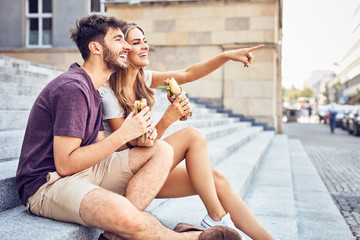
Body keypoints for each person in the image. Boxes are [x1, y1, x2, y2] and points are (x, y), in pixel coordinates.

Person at [15, 14, 241, 240]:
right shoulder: (72, 89)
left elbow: (99, 145)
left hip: (84, 172)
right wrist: (125, 133)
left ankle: (114, 236)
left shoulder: (92, 89)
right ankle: (193, 238)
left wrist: (139, 138)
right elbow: (64, 165)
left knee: (161, 150)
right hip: (47, 184)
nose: (126, 46)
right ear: (96, 48)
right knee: (127, 215)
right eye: (118, 40)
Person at [99, 22, 275, 240]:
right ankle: (217, 217)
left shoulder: (143, 78)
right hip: (123, 173)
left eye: (145, 41)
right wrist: (168, 119)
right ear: (124, 49)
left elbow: (188, 73)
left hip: (145, 167)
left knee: (217, 180)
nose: (144, 46)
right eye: (136, 42)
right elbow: (132, 148)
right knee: (192, 136)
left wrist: (227, 56)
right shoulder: (108, 93)